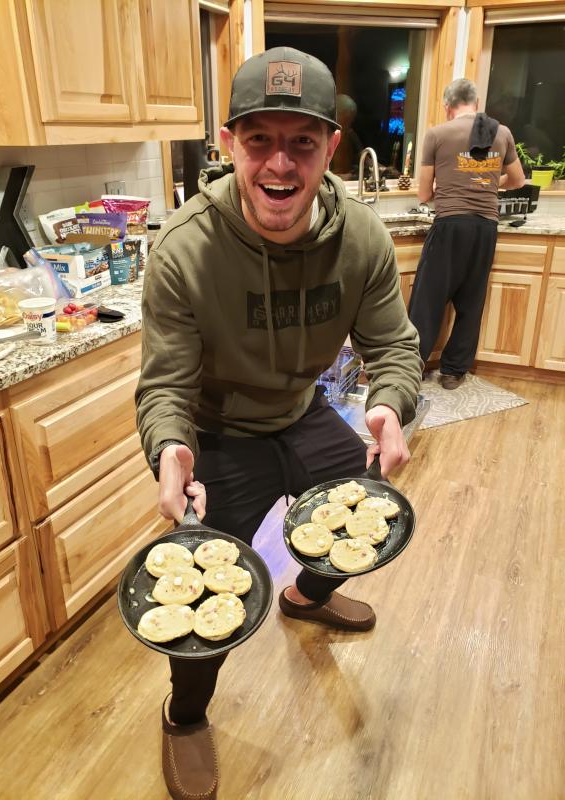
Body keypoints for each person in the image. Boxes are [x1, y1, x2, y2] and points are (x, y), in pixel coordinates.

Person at [136, 46, 422, 800]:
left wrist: (389, 403)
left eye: (302, 141)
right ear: (228, 143)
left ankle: (306, 596)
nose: (280, 164)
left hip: (304, 413)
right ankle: (186, 712)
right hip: (219, 431)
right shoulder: (183, 251)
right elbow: (166, 382)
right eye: (258, 138)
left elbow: (393, 344)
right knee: (201, 597)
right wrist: (171, 450)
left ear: (331, 146)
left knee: (368, 515)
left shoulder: (361, 238)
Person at [408, 78, 526, 389]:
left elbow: (422, 193)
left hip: (450, 224)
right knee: (471, 302)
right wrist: (484, 182)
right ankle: (453, 372)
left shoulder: (437, 134)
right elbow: (517, 180)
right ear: (475, 102)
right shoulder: (502, 132)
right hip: (485, 227)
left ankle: (410, 369)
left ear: (448, 106)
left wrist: (449, 187)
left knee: (427, 300)